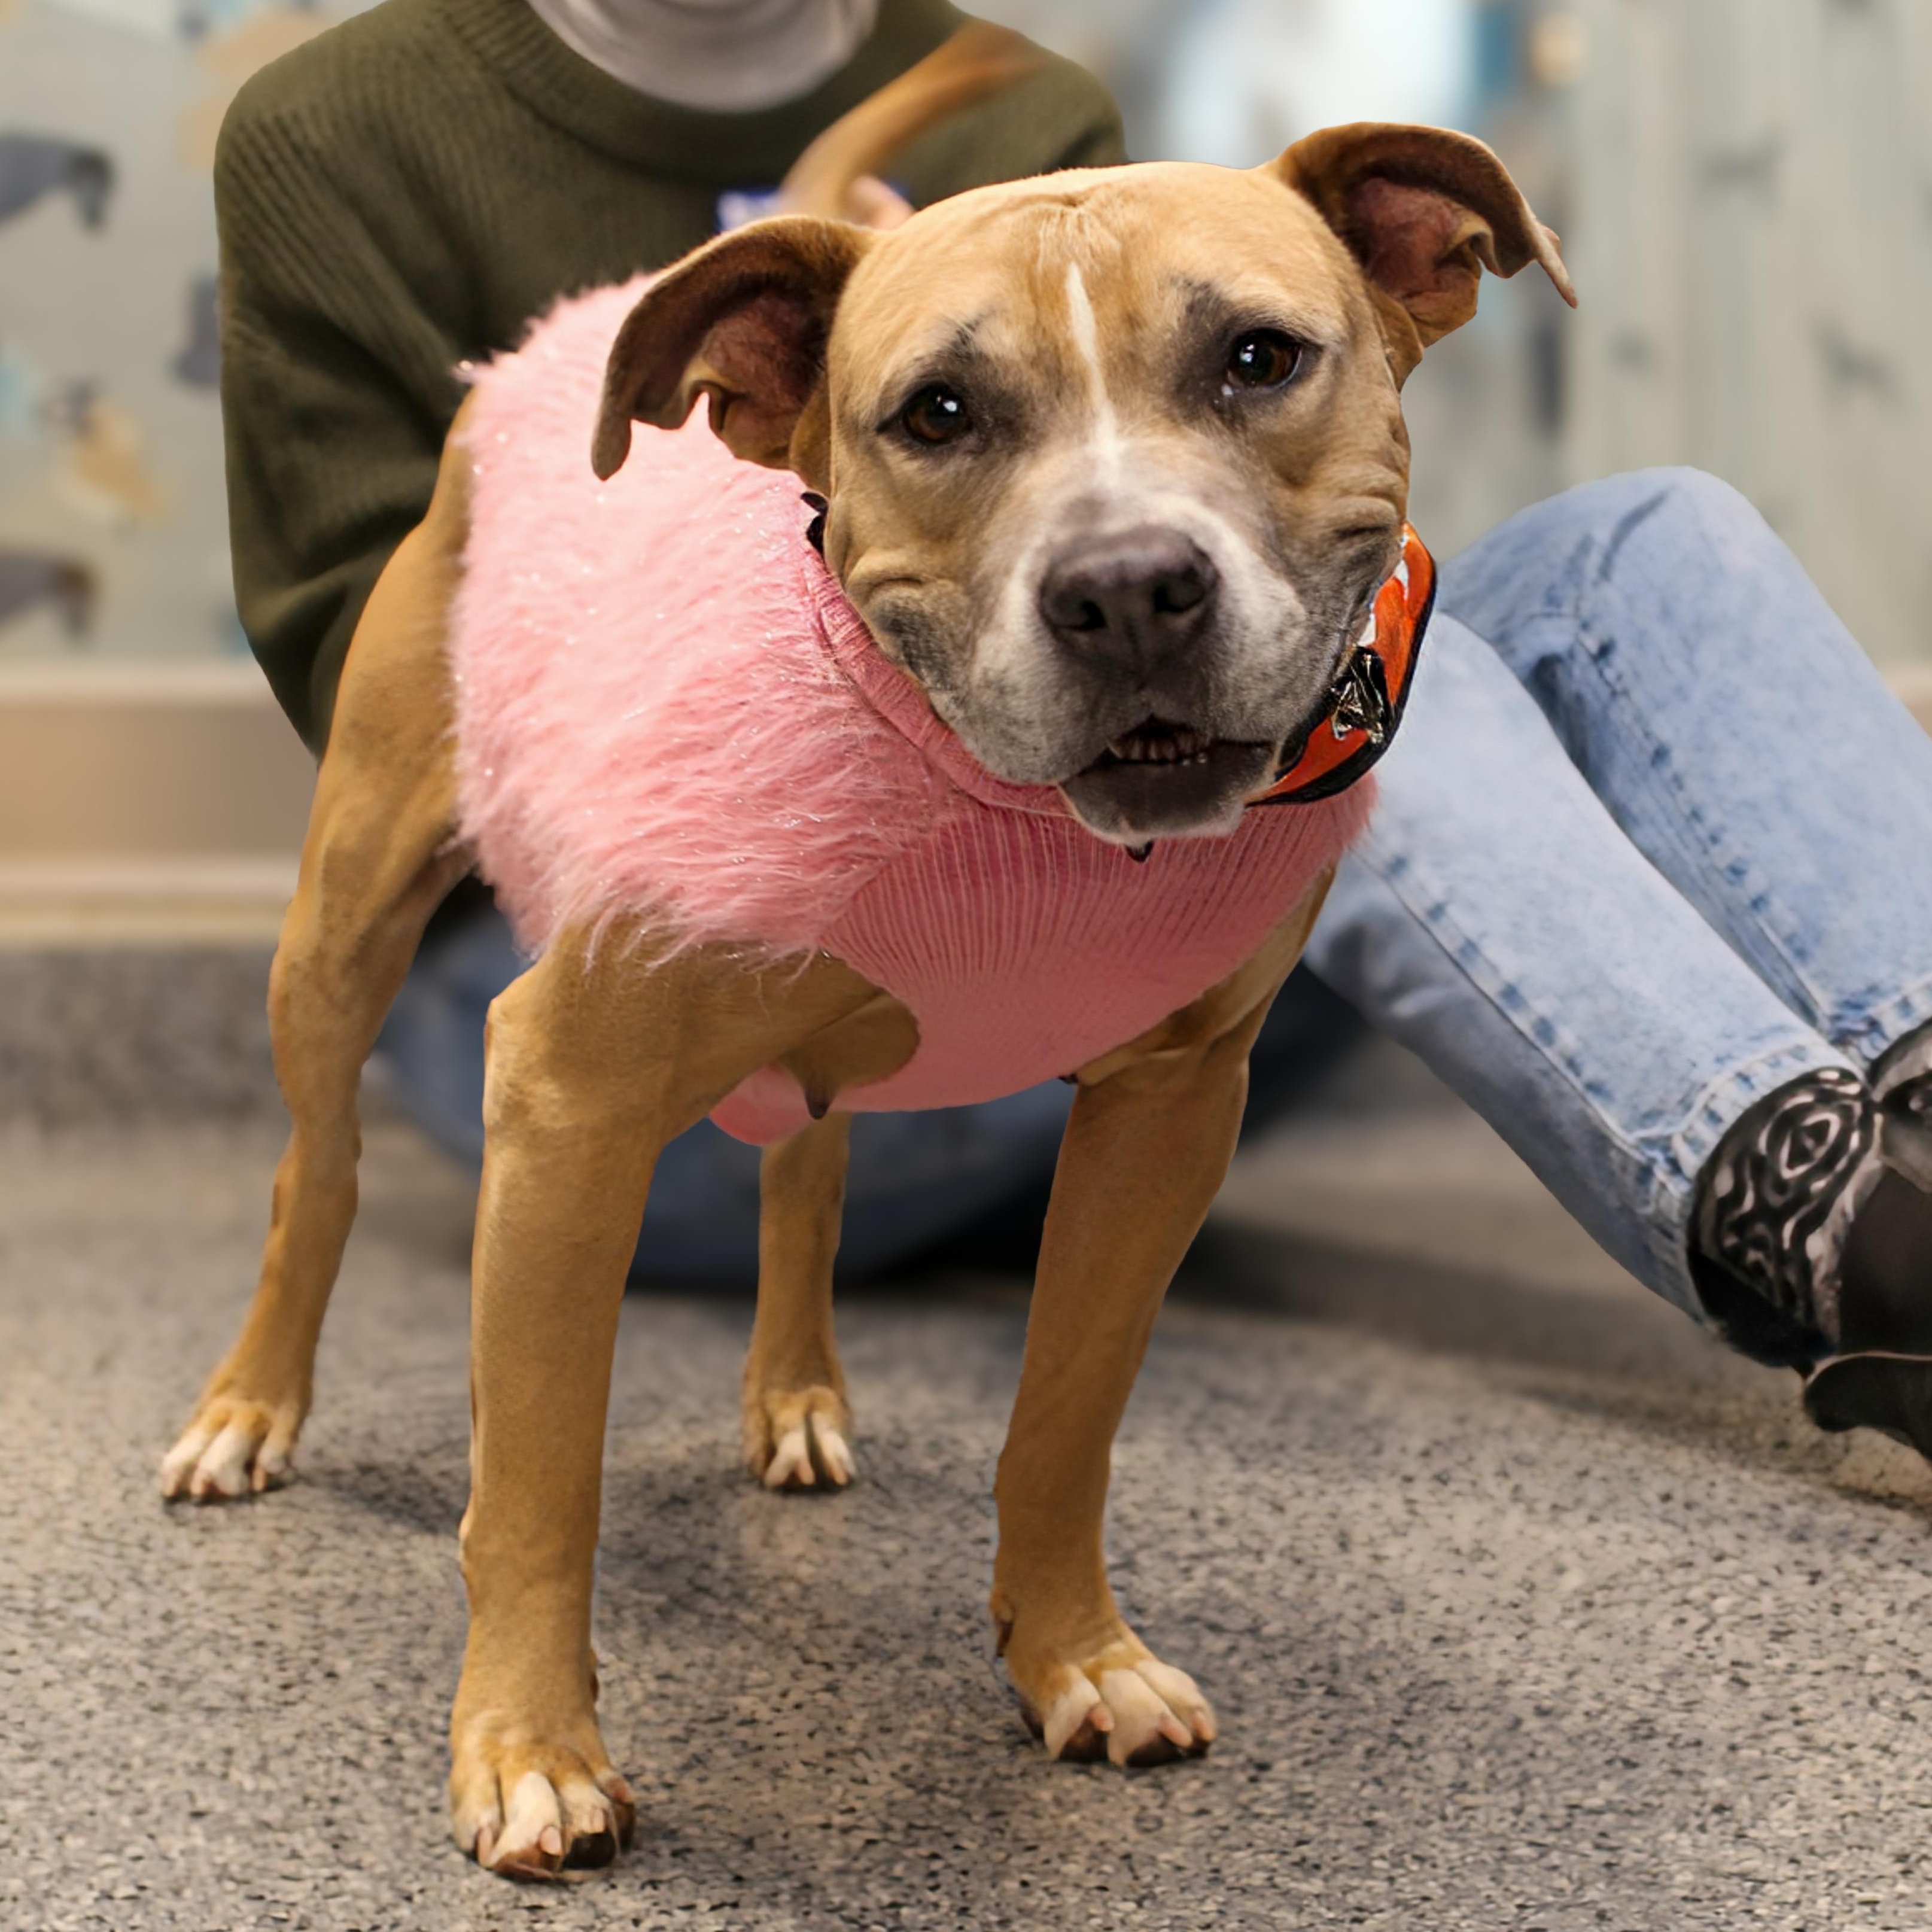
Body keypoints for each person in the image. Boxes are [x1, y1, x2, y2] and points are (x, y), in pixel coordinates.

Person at [214, 0, 1932, 1458]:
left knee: (1629, 551)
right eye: (940, 405)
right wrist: (779, 474)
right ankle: (1873, 1257)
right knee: (1380, 702)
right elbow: (366, 651)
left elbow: (1153, 507)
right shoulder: (338, 128)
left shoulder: (1022, 101)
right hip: (622, 1013)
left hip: (1122, 929)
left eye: (1254, 361)